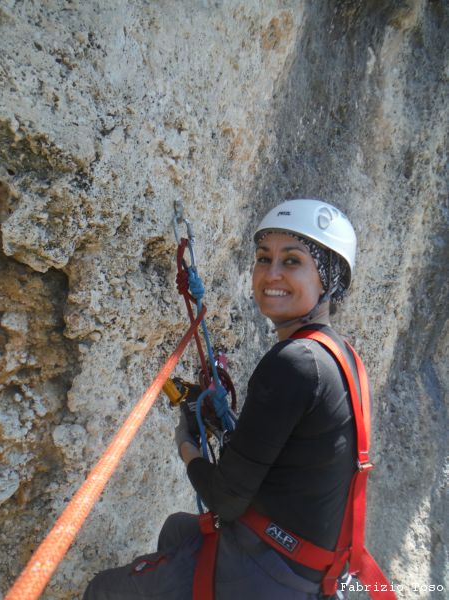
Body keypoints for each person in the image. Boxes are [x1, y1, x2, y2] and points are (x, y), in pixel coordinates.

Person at [83, 199, 362, 600]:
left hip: (267, 569)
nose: (272, 273)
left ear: (330, 279)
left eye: (292, 261)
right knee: (176, 530)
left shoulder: (295, 362)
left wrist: (187, 447)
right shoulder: (340, 357)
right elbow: (288, 453)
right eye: (264, 258)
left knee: (105, 591)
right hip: (305, 563)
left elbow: (225, 499)